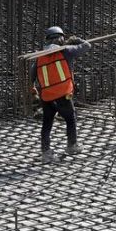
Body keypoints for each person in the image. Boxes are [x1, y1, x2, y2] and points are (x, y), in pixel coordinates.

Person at [30, 26, 91, 163]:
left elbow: (32, 76)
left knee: (47, 124)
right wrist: (75, 40)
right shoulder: (66, 51)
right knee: (70, 118)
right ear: (61, 38)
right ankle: (72, 146)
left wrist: (34, 93)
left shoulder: (39, 57)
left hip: (46, 97)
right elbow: (87, 45)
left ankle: (46, 153)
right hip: (62, 94)